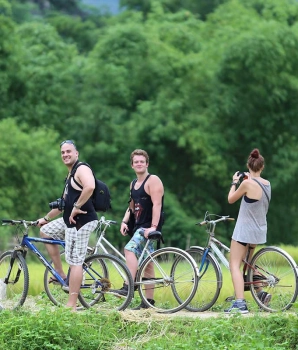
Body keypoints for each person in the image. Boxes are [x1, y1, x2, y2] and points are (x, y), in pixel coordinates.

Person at [37, 140, 98, 311]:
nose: (65, 155)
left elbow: (90, 186)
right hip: (69, 221)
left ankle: (71, 304)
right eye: (63, 152)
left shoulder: (82, 169)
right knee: (45, 232)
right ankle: (60, 275)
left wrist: (76, 208)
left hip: (82, 221)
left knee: (75, 260)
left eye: (68, 151)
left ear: (76, 153)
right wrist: (46, 218)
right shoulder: (70, 175)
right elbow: (63, 203)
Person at [112, 149, 164, 310]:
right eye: (136, 162)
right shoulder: (133, 184)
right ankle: (148, 303)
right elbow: (132, 206)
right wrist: (124, 221)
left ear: (147, 164)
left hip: (148, 226)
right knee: (147, 265)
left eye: (142, 161)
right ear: (132, 165)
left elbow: (157, 204)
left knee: (129, 250)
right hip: (138, 225)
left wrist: (154, 227)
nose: (139, 164)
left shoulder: (153, 180)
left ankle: (129, 284)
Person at [225, 148, 271, 314]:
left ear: (248, 165)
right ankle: (261, 292)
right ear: (262, 166)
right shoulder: (267, 184)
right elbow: (255, 186)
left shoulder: (246, 184)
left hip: (244, 231)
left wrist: (234, 182)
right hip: (259, 230)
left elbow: (231, 199)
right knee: (248, 264)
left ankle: (240, 303)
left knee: (234, 265)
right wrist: (249, 177)